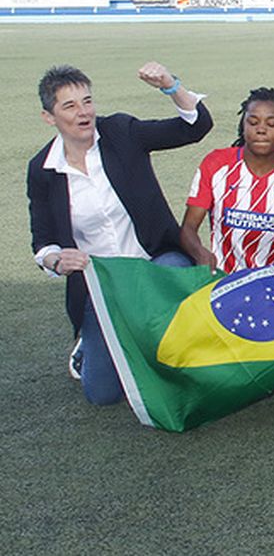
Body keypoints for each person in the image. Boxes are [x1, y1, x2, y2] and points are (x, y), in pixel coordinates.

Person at [27, 62, 211, 405]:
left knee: (174, 272)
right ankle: (91, 341)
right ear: (49, 117)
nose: (83, 113)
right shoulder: (43, 170)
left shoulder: (121, 132)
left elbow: (195, 127)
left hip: (155, 262)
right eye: (69, 106)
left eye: (87, 101)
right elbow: (43, 240)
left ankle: (160, 349)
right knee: (103, 394)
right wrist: (56, 260)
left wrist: (170, 85)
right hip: (102, 284)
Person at [180, 87, 274, 274]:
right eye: (253, 122)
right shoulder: (216, 164)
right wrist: (200, 253)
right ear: (243, 125)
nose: (261, 130)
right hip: (224, 280)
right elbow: (188, 229)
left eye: (272, 124)